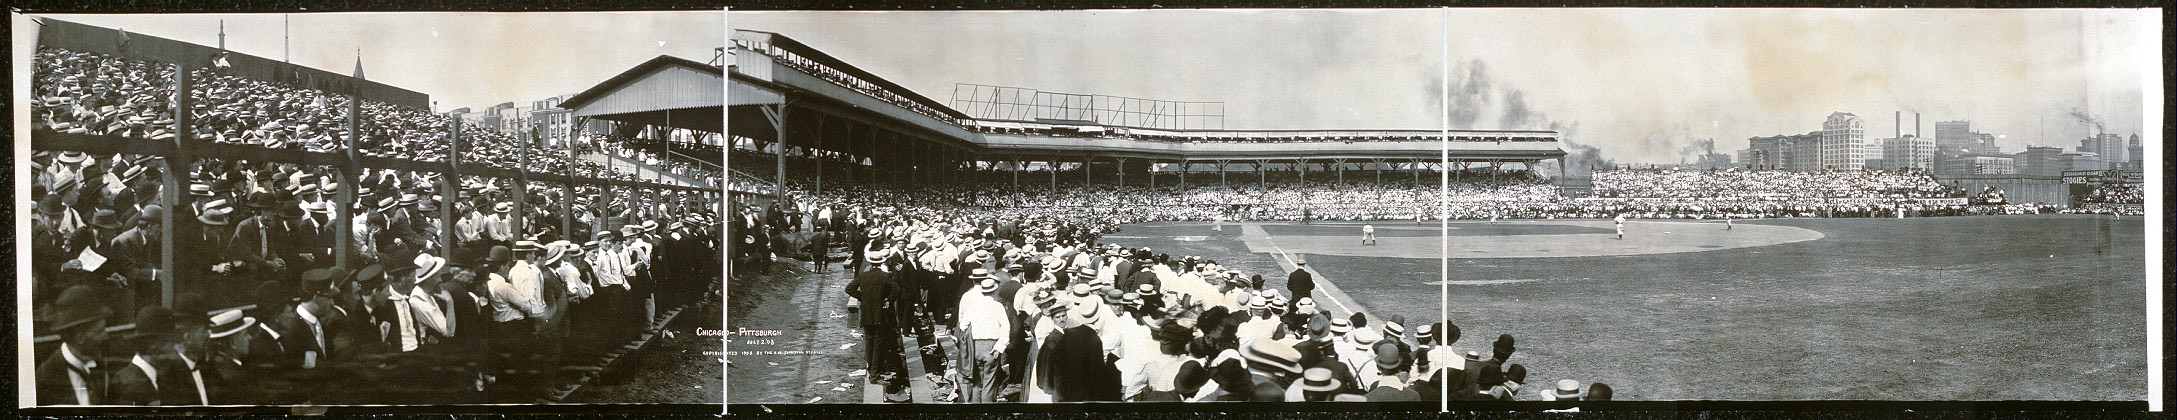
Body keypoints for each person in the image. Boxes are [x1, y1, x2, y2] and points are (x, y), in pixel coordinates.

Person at [846, 249, 909, 401]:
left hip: (867, 313)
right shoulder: (885, 276)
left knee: (869, 341)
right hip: (880, 314)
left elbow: (849, 288)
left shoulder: (863, 275)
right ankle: (875, 374)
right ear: (881, 262)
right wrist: (888, 300)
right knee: (878, 343)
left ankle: (870, 369)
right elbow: (898, 289)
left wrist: (863, 298)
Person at [38, 285, 114, 405]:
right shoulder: (45, 379)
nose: (106, 336)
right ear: (80, 338)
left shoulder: (105, 363)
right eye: (100, 331)